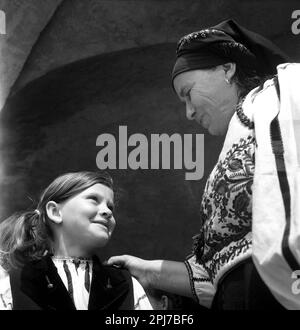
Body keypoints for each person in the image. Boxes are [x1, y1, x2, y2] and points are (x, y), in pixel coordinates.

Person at [107, 19, 300, 309]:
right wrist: (146, 269)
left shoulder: (286, 88)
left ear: (227, 69)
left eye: (188, 92)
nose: (189, 112)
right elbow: (219, 271)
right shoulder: (239, 135)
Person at [0, 171, 153, 310]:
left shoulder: (126, 284)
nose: (107, 211)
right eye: (94, 199)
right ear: (55, 212)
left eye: (110, 207)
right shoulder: (17, 284)